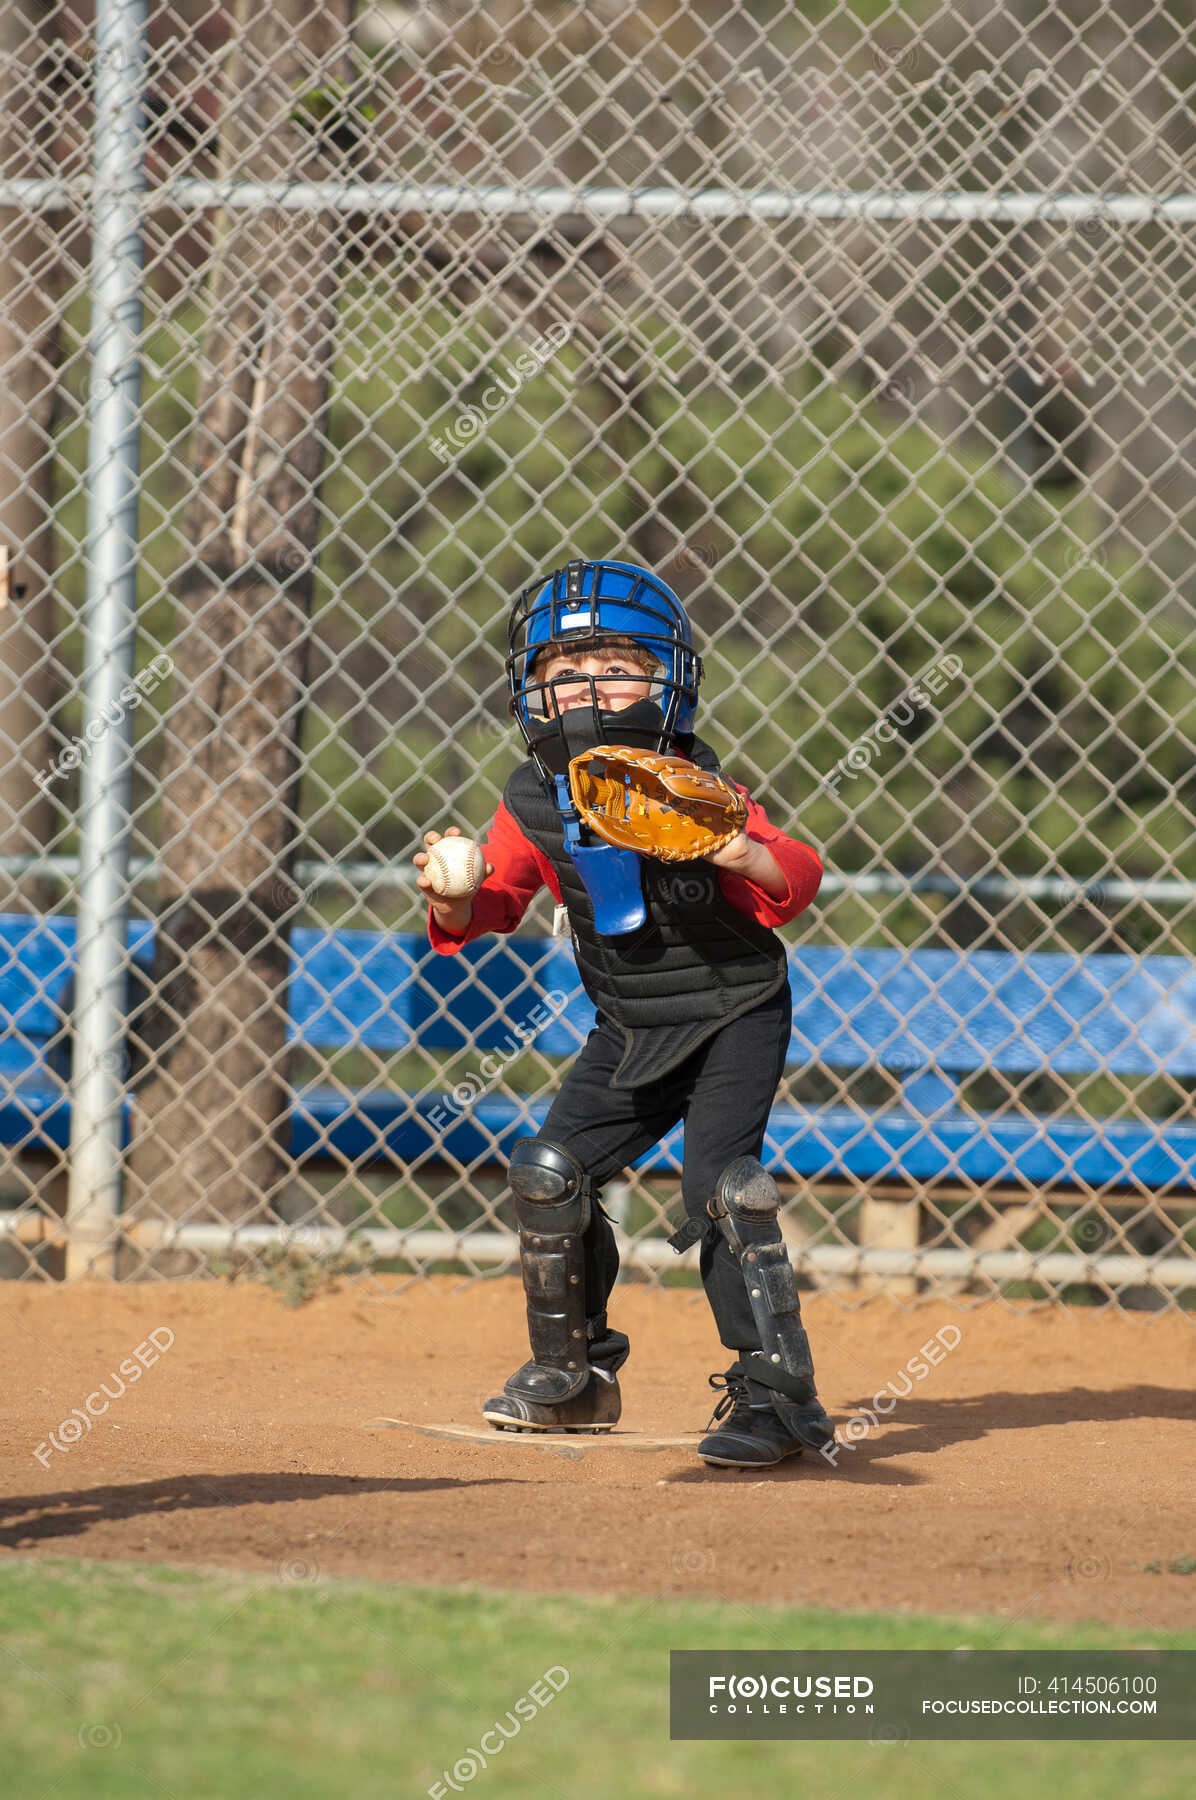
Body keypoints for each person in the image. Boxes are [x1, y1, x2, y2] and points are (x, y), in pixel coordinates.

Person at [412, 557, 834, 1468]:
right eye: (563, 671)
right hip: (632, 1025)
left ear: (666, 679)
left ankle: (774, 1398)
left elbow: (795, 875)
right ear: (531, 692)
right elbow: (495, 906)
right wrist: (455, 894)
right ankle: (576, 1379)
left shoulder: (685, 782)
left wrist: (738, 851)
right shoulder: (531, 797)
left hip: (732, 1013)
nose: (589, 686)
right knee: (548, 1173)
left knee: (723, 1192)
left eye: (615, 664)